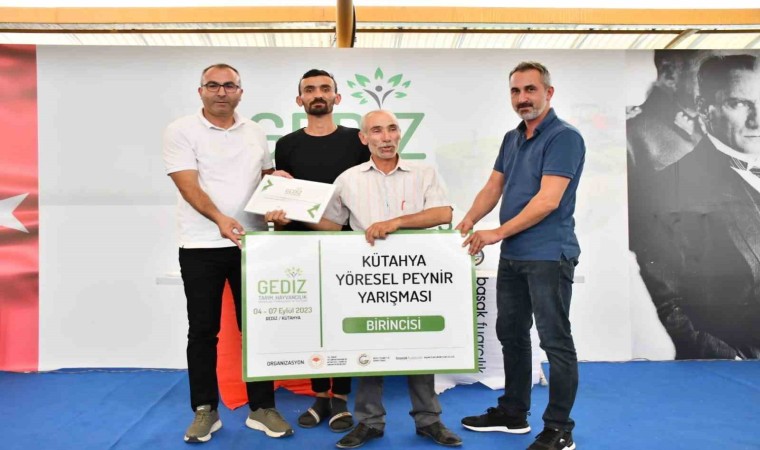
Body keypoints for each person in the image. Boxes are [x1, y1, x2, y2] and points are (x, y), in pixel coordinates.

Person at [266, 110, 462, 449]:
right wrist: (292, 213)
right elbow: (332, 225)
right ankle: (369, 423)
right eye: (376, 131)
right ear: (364, 138)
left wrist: (396, 222)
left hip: (415, 277)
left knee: (420, 346)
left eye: (391, 129)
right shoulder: (348, 179)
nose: (385, 137)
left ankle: (429, 420)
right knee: (369, 348)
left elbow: (443, 213)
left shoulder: (423, 173)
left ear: (399, 134)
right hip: (366, 278)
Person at [162, 63, 294, 443]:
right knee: (203, 331)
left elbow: (263, 178)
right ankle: (205, 410)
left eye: (229, 86)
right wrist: (220, 219)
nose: (221, 92)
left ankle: (262, 408)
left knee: (257, 328)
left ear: (240, 92)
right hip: (200, 244)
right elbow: (187, 184)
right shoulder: (180, 130)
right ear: (200, 91)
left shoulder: (255, 131)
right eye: (213, 85)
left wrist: (276, 181)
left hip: (252, 244)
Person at [458, 61, 585, 450]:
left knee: (555, 341)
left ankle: (559, 429)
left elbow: (548, 201)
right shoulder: (511, 138)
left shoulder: (564, 137)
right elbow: (492, 187)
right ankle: (513, 413)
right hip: (514, 254)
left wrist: (495, 232)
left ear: (549, 92)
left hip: (549, 255)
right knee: (511, 333)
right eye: (515, 91)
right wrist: (467, 221)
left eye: (530, 89)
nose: (522, 98)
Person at [635, 54, 760, 360]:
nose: (756, 119)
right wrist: (731, 361)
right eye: (739, 103)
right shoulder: (668, 187)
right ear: (704, 109)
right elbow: (671, 304)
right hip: (731, 369)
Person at [274, 69, 370, 432]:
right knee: (311, 322)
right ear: (299, 100)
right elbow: (284, 199)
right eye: (310, 89)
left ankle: (341, 397)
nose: (318, 94)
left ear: (337, 98)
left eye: (325, 88)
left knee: (343, 321)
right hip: (301, 245)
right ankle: (319, 395)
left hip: (346, 243)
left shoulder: (357, 141)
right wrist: (279, 218)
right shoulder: (286, 145)